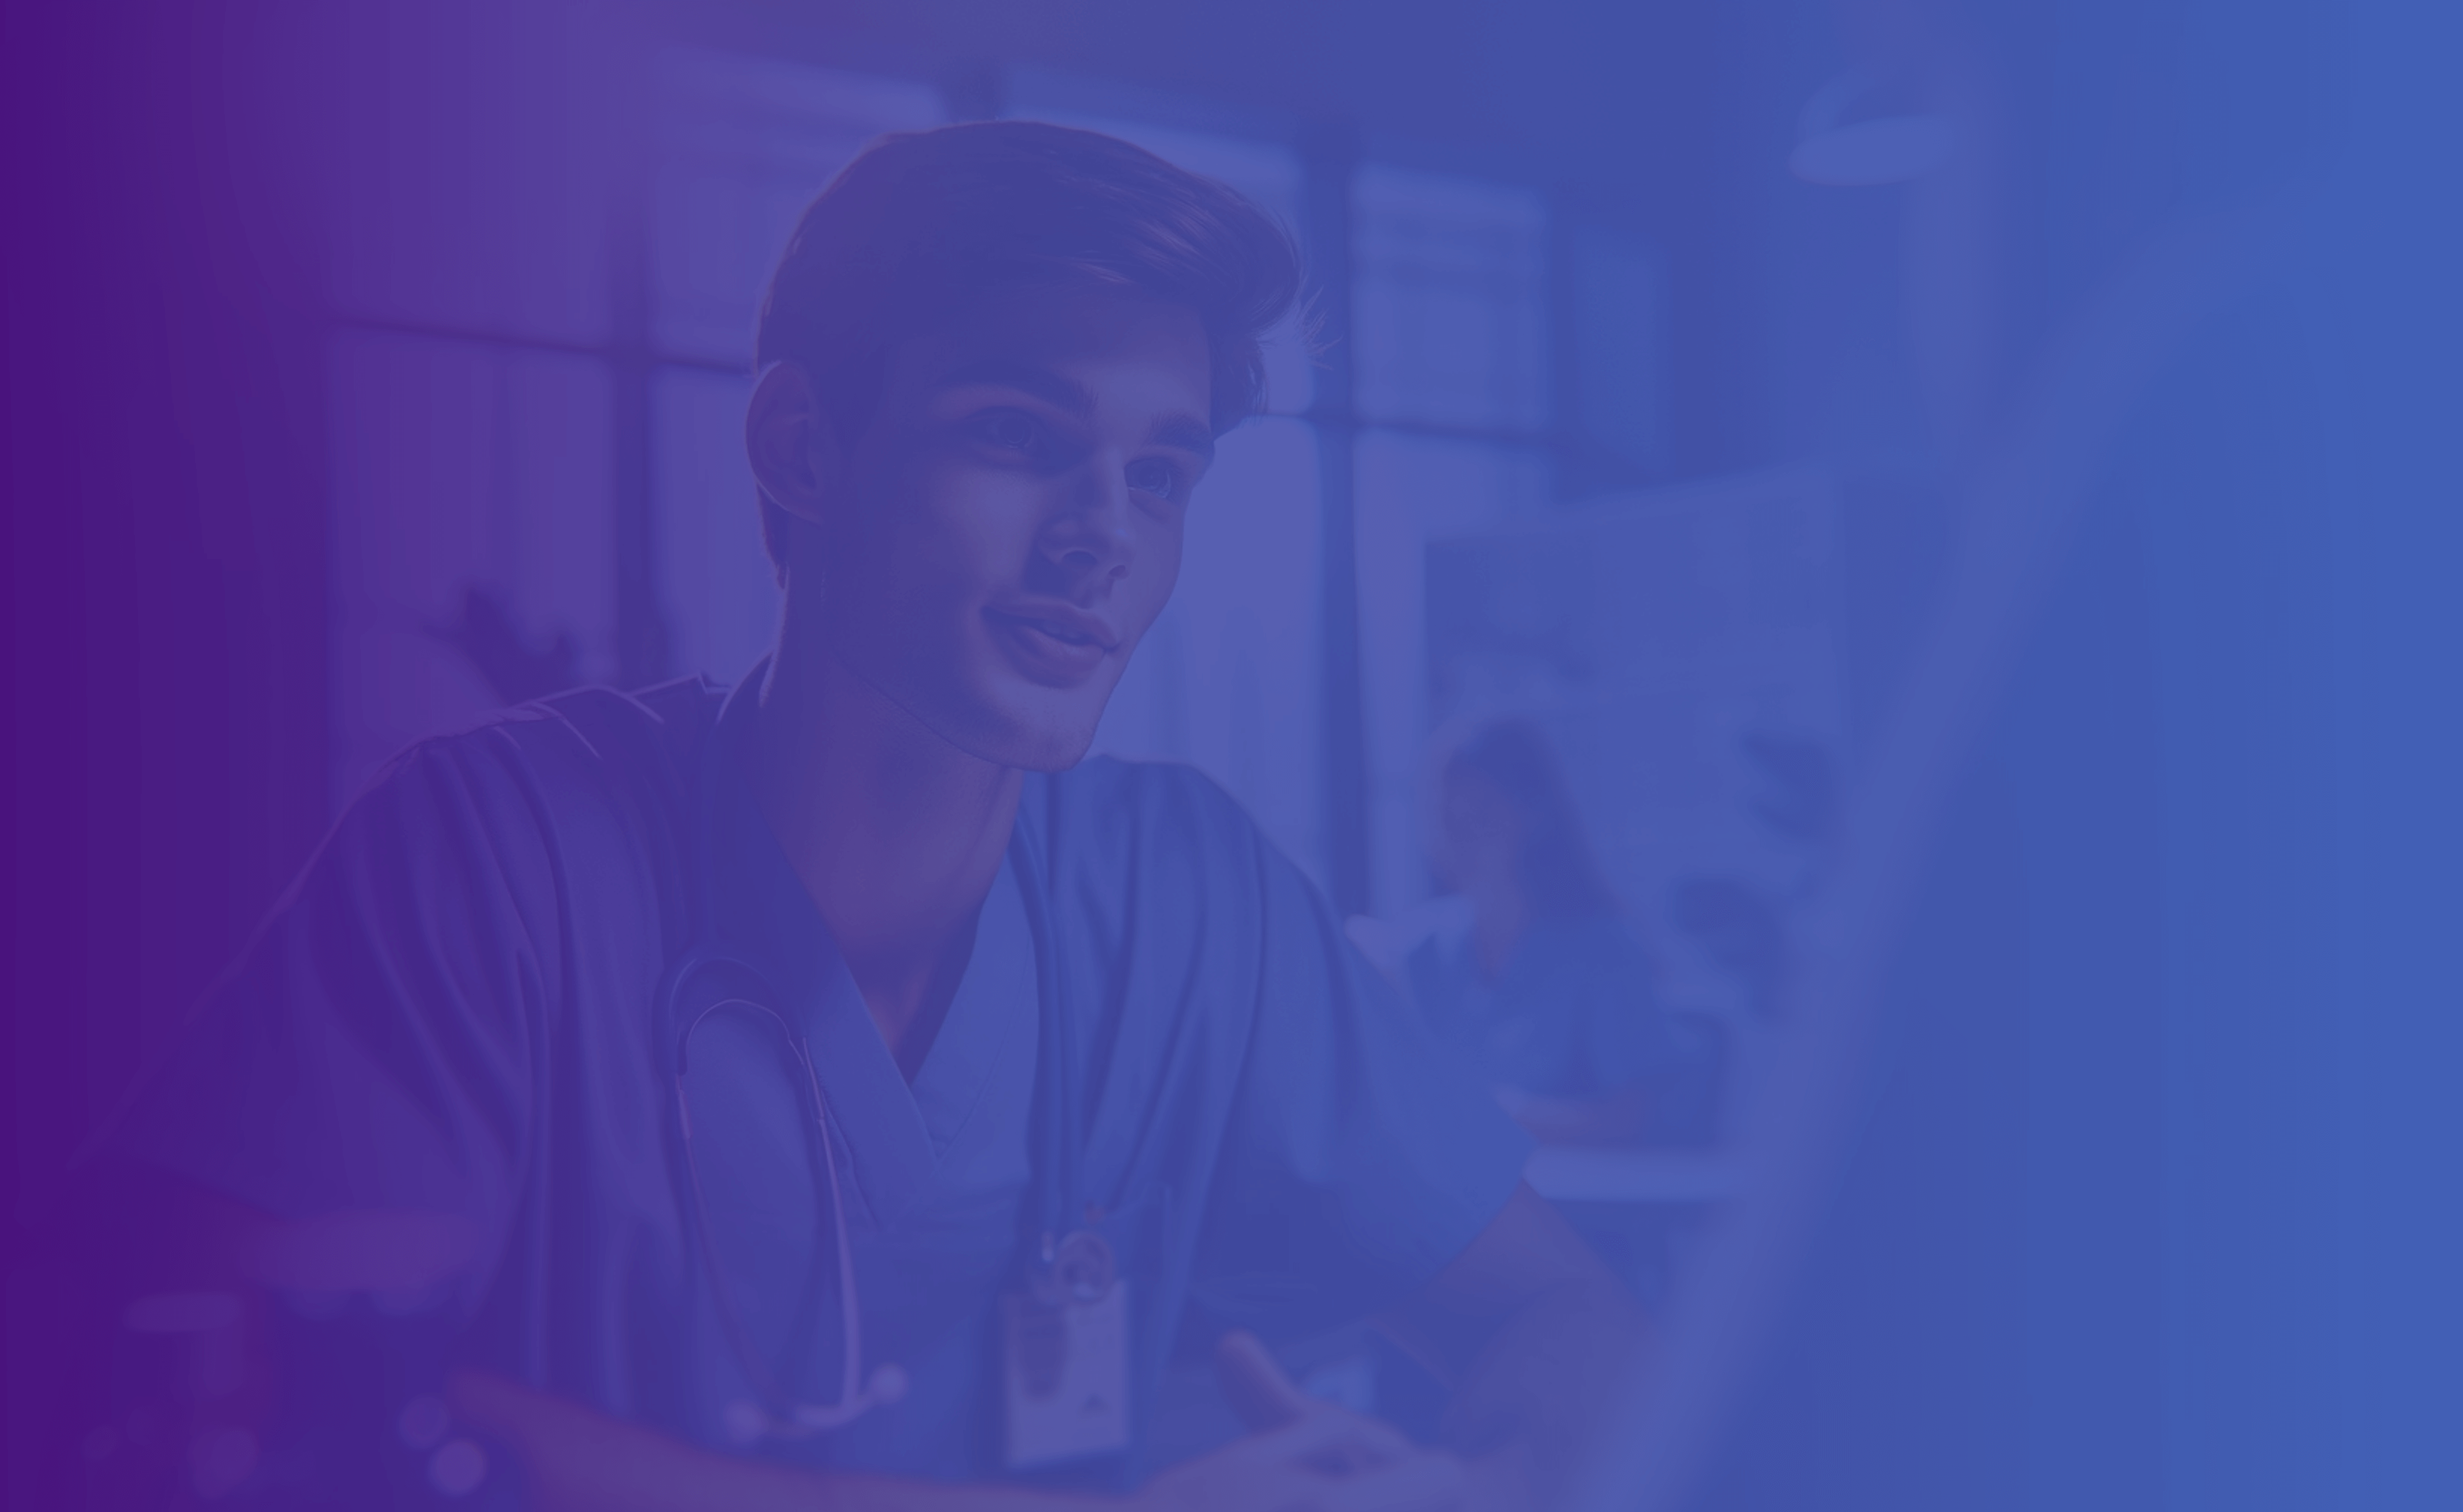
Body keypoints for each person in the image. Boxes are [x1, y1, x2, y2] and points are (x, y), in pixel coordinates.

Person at [87, 122, 1644, 1510]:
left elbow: (1561, 1314)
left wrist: (1486, 1476)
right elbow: (251, 1377)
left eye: (1160, 472)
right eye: (1020, 436)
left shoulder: (1195, 903)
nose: (1104, 535)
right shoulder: (497, 856)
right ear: (801, 448)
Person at [1403, 718, 1718, 1148]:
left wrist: (1513, 1118)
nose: (1459, 839)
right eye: (1445, 817)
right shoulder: (1422, 948)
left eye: (1481, 815)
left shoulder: (1605, 950)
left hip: (1568, 1198)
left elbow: (1638, 1115)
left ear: (1535, 815)